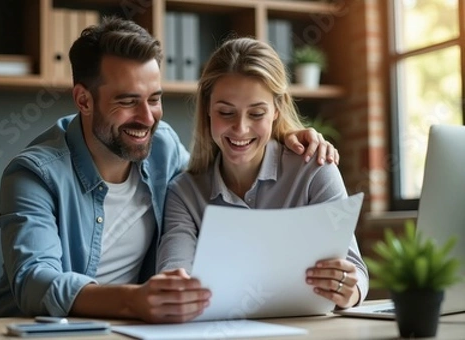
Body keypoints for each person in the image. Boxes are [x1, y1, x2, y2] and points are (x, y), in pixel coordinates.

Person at [0, 17, 340, 323]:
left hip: (129, 327)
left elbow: (221, 173)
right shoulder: (33, 174)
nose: (147, 117)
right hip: (33, 330)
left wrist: (282, 133)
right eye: (127, 101)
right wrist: (133, 300)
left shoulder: (162, 147)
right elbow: (34, 282)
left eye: (154, 99)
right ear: (84, 100)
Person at [157, 37, 368, 309]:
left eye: (256, 114)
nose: (241, 128)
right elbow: (173, 275)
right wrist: (175, 293)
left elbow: (354, 271)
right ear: (208, 108)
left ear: (276, 111)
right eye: (226, 112)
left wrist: (348, 290)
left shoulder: (314, 170)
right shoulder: (184, 193)